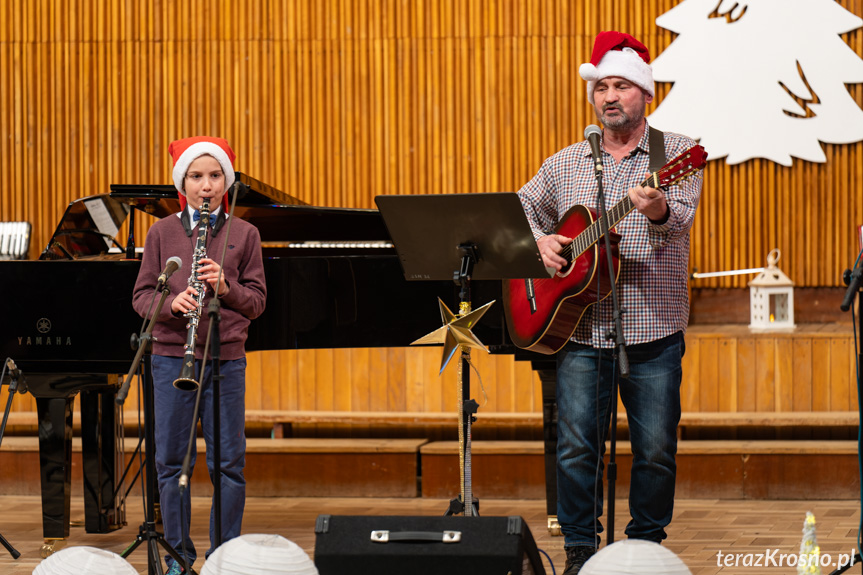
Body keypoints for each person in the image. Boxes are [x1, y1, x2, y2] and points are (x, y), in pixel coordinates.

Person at [516, 32, 704, 575]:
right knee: (576, 450)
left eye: (622, 85)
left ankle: (645, 546)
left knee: (655, 453)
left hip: (654, 329)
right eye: (602, 87)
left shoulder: (676, 154)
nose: (610, 96)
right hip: (579, 328)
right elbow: (523, 208)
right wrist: (541, 242)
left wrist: (657, 208)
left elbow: (679, 221)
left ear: (645, 94)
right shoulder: (568, 162)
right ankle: (579, 550)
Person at [132, 136, 267, 575]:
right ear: (182, 183)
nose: (205, 186)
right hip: (172, 358)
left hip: (226, 360)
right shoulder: (161, 232)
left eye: (214, 176)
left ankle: (225, 556)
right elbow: (141, 297)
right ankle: (177, 557)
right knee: (172, 462)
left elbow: (257, 302)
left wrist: (225, 288)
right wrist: (171, 305)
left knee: (228, 463)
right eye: (196, 176)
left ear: (225, 181)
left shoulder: (244, 233)